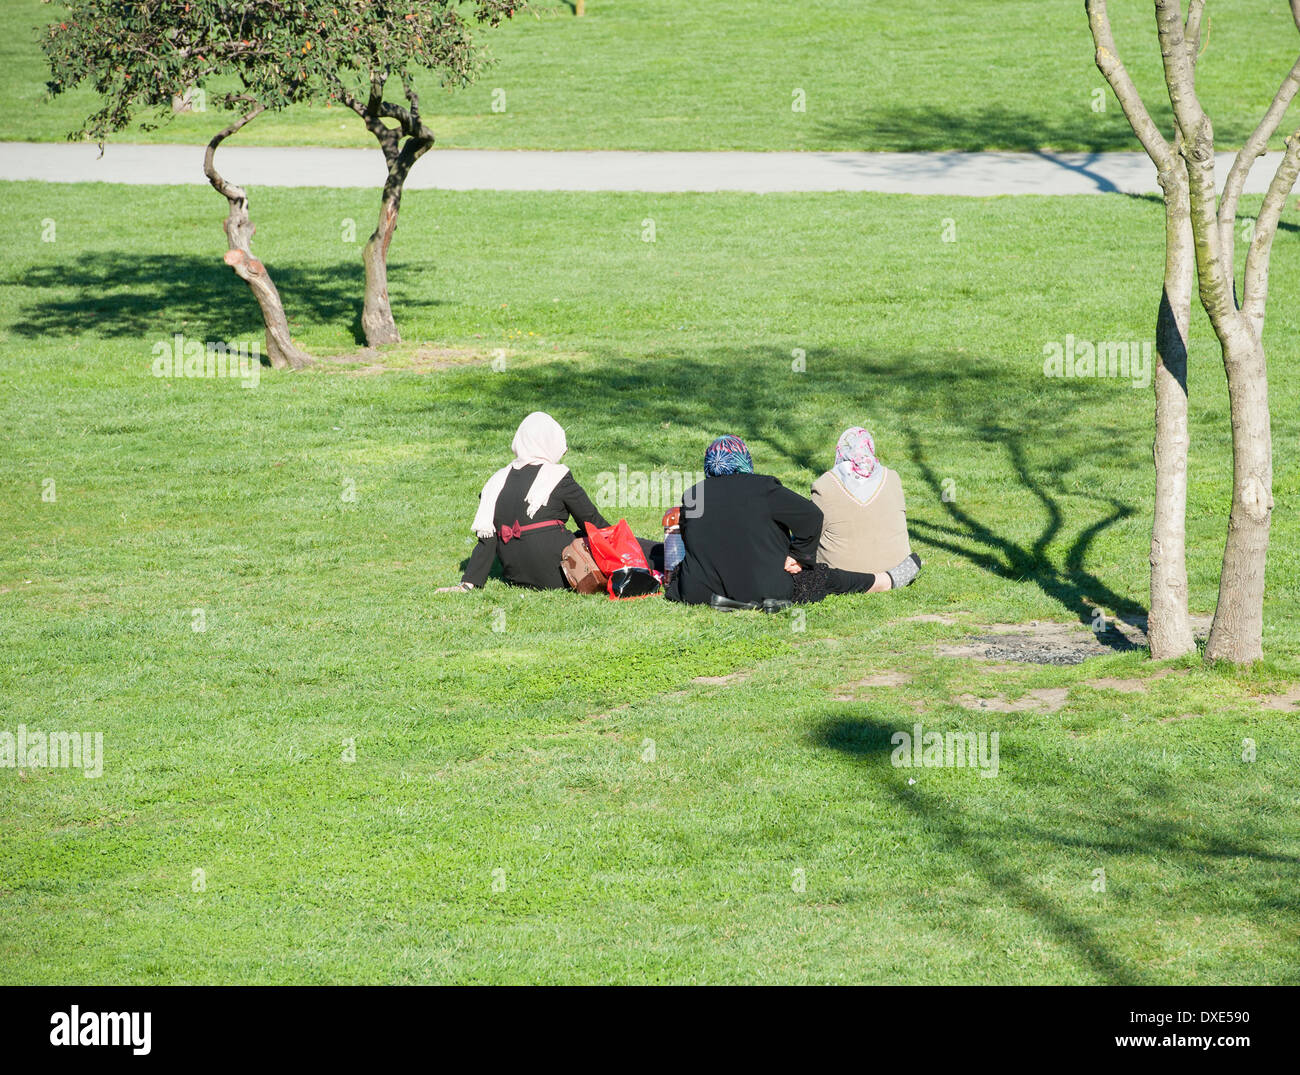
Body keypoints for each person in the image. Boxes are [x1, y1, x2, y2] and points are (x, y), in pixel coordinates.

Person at [667, 435, 882, 608]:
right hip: (765, 589)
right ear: (744, 459)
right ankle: (882, 580)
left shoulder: (693, 494)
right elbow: (811, 516)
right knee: (823, 576)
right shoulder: (763, 489)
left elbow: (691, 540)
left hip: (700, 591)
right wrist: (799, 555)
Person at [436, 412, 613, 593]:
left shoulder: (496, 481)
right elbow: (591, 522)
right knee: (602, 540)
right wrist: (622, 547)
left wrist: (468, 583)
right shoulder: (557, 476)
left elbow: (487, 540)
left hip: (517, 576)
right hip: (561, 573)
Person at [811, 426, 921, 589]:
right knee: (913, 561)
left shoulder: (824, 484)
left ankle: (871, 582)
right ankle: (888, 579)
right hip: (897, 565)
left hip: (843, 574)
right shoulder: (892, 477)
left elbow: (811, 535)